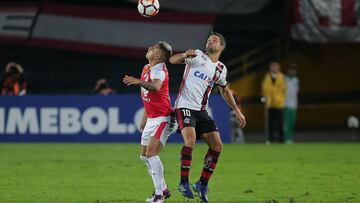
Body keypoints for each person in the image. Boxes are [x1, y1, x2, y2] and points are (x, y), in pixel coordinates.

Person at [169, 32, 246, 203]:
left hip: (201, 111)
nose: (210, 40)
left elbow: (225, 90)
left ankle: (202, 184)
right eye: (209, 39)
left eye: (215, 40)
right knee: (190, 140)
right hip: (184, 106)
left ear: (221, 47)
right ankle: (183, 182)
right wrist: (183, 55)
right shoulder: (197, 55)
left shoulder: (221, 69)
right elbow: (172, 61)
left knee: (217, 146)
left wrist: (237, 111)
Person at [123, 41, 174, 203]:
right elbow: (148, 96)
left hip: (163, 117)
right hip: (152, 117)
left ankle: (159, 196)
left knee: (151, 153)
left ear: (158, 56)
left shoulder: (159, 71)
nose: (149, 49)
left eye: (153, 49)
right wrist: (145, 118)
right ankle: (164, 189)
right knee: (144, 156)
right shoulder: (147, 68)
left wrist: (138, 81)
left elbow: (156, 87)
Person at [261, 62, 286, 143]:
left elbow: (284, 89)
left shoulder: (281, 76)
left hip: (279, 103)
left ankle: (281, 139)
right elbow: (264, 88)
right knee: (270, 122)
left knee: (280, 122)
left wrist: (281, 98)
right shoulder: (267, 76)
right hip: (270, 103)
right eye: (273, 67)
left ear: (279, 68)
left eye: (276, 67)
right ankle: (270, 139)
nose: (274, 68)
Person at [284, 64, 299, 144]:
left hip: (294, 105)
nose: (292, 71)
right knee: (286, 123)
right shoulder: (284, 79)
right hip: (286, 104)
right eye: (291, 69)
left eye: (294, 69)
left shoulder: (296, 80)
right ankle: (286, 139)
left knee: (292, 123)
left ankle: (290, 138)